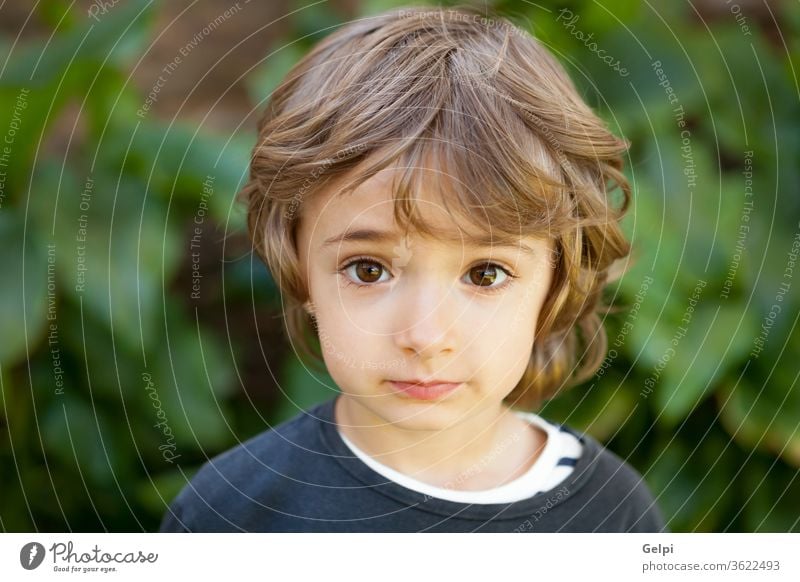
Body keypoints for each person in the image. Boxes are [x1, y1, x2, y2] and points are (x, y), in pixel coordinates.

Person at [159, 4, 667, 532]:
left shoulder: (611, 513)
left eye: (485, 273)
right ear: (298, 263)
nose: (425, 336)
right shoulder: (232, 513)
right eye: (369, 270)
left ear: (555, 281)